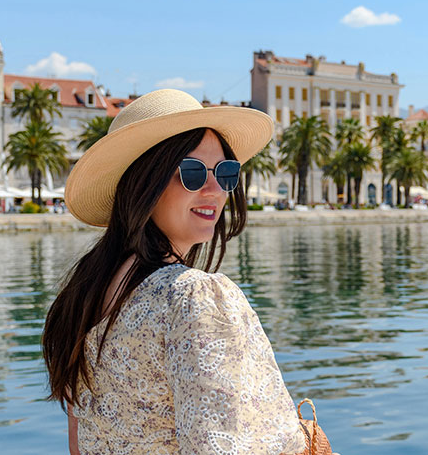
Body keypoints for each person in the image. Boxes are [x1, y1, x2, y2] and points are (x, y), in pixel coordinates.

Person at [42, 89, 310, 454]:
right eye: (193, 172)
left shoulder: (81, 299)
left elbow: (77, 447)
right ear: (144, 182)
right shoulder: (192, 297)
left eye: (227, 172)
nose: (216, 190)